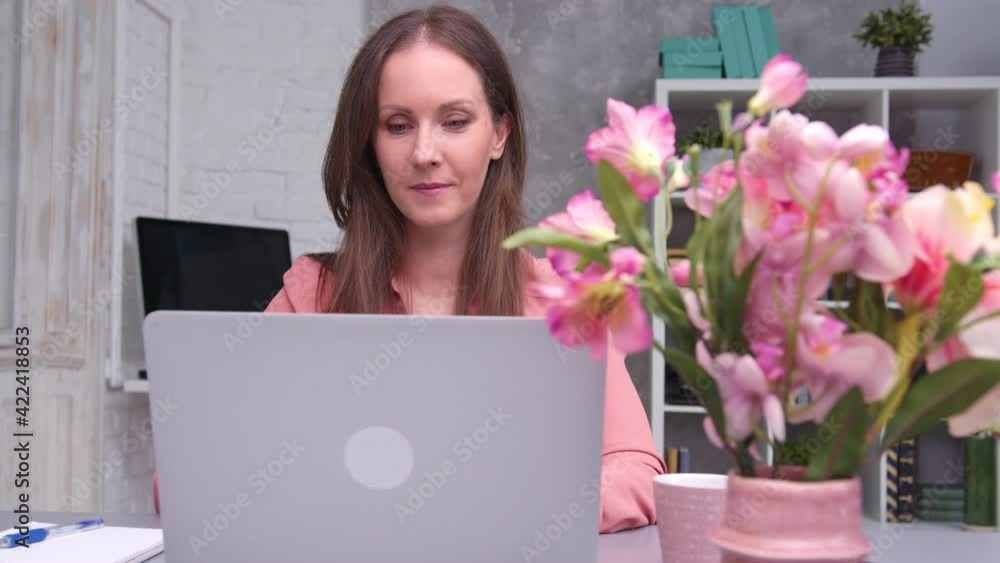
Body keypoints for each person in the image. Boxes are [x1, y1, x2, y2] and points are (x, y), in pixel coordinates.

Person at [155, 5, 665, 533]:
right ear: (370, 144)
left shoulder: (566, 299)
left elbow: (635, 469)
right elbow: (187, 474)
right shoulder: (312, 296)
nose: (424, 152)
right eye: (397, 126)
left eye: (455, 122)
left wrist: (506, 507)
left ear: (499, 134)